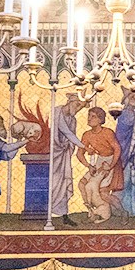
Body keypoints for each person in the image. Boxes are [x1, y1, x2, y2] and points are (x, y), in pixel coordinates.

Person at [77, 107, 122, 222]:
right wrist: (89, 166)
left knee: (102, 193)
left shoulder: (107, 132)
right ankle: (91, 211)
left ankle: (122, 212)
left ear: (100, 119)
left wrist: (110, 166)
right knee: (82, 184)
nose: (89, 119)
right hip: (100, 161)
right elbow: (79, 153)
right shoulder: (87, 135)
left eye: (93, 116)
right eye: (89, 116)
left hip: (111, 161)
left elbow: (117, 149)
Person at [48, 93, 84, 226]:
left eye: (80, 107)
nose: (78, 108)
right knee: (53, 181)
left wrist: (71, 146)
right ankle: (48, 213)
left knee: (63, 182)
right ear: (70, 102)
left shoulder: (73, 119)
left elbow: (71, 136)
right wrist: (84, 146)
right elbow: (66, 132)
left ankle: (63, 214)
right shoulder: (57, 111)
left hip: (63, 154)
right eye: (77, 105)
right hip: (53, 153)